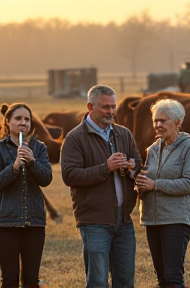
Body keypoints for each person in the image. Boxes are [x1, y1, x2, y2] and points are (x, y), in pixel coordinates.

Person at [60, 84, 142, 288]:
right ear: (90, 106)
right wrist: (106, 167)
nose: (111, 112)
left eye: (113, 107)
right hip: (94, 221)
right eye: (106, 107)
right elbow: (70, 176)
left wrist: (132, 166)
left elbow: (139, 163)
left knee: (125, 282)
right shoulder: (74, 138)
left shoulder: (123, 134)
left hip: (124, 221)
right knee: (97, 282)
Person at [135, 99, 190, 288]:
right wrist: (138, 183)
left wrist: (155, 185)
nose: (157, 125)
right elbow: (147, 179)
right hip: (152, 219)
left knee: (173, 277)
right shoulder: (153, 149)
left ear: (177, 122)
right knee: (162, 278)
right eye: (156, 121)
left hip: (176, 219)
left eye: (163, 121)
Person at [0, 103, 52, 288]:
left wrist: (32, 162)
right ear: (7, 122)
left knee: (31, 279)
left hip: (34, 221)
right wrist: (15, 166)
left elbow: (46, 179)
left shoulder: (39, 148)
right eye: (18, 119)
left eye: (27, 119)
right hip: (5, 222)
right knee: (10, 279)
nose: (23, 123)